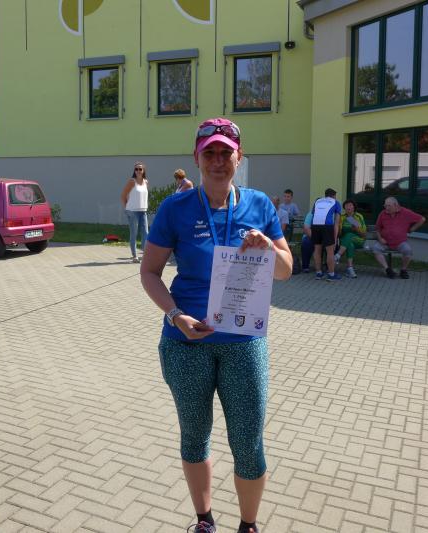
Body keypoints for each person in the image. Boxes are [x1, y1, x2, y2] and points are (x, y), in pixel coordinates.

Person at [140, 118, 292, 533]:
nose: (219, 160)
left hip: (244, 342)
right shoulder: (175, 208)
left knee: (248, 442)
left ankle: (248, 525)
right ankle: (204, 520)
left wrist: (268, 248)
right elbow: (149, 272)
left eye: (227, 152)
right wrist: (175, 315)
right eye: (210, 152)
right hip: (186, 342)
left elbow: (285, 271)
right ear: (197, 158)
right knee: (194, 436)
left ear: (239, 158)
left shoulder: (259, 205)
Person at [372, 197, 425, 279]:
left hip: (400, 242)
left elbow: (422, 219)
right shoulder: (382, 213)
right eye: (385, 206)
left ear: (396, 205)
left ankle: (403, 270)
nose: (386, 208)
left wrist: (412, 229)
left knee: (408, 250)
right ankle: (387, 269)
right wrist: (380, 239)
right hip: (385, 242)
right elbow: (377, 228)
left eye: (389, 206)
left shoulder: (406, 212)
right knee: (376, 248)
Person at [310, 188, 341, 281]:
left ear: (325, 195)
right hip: (327, 226)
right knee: (330, 251)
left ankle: (318, 273)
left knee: (317, 250)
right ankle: (331, 274)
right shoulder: (336, 202)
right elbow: (336, 223)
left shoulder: (318, 201)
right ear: (334, 196)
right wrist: (335, 239)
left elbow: (314, 214)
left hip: (315, 225)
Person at [121, 161, 149, 263]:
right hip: (132, 211)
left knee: (145, 233)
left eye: (140, 169)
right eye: (136, 169)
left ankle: (144, 254)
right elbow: (123, 195)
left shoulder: (146, 182)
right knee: (134, 233)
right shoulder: (132, 181)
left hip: (143, 211)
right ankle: (134, 256)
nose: (138, 171)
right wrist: (126, 208)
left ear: (143, 170)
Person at [334, 200, 366, 279]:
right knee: (350, 245)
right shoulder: (342, 217)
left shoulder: (358, 216)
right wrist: (339, 230)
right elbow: (339, 235)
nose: (348, 207)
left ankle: (338, 255)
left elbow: (363, 234)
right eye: (346, 205)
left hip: (358, 240)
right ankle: (350, 269)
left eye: (350, 205)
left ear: (354, 207)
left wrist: (356, 229)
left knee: (349, 235)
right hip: (345, 242)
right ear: (344, 207)